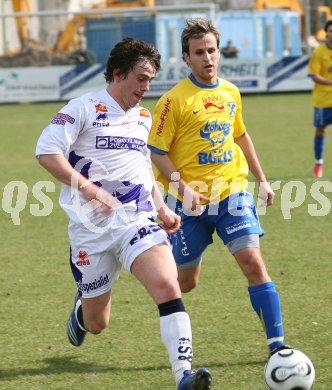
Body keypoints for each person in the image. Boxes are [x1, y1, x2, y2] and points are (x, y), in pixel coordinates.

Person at [35, 37, 212, 390]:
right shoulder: (83, 107)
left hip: (135, 219)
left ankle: (184, 375)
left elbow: (142, 165)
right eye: (141, 79)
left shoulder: (143, 117)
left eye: (151, 80)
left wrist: (161, 207)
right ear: (118, 73)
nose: (147, 88)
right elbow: (46, 152)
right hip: (90, 230)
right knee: (97, 322)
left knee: (167, 283)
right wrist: (90, 189)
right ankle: (81, 313)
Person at [148, 18, 290, 358]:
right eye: (199, 53)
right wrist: (183, 188)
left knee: (253, 262)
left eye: (212, 50)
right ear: (186, 57)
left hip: (232, 194)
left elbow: (240, 136)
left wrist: (263, 179)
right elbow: (157, 151)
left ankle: (278, 347)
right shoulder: (172, 101)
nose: (208, 58)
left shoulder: (230, 92)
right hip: (189, 205)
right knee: (184, 283)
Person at [308, 20, 332, 178]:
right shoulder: (319, 52)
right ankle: (319, 163)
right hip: (323, 100)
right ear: (326, 33)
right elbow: (313, 75)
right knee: (321, 130)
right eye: (331, 31)